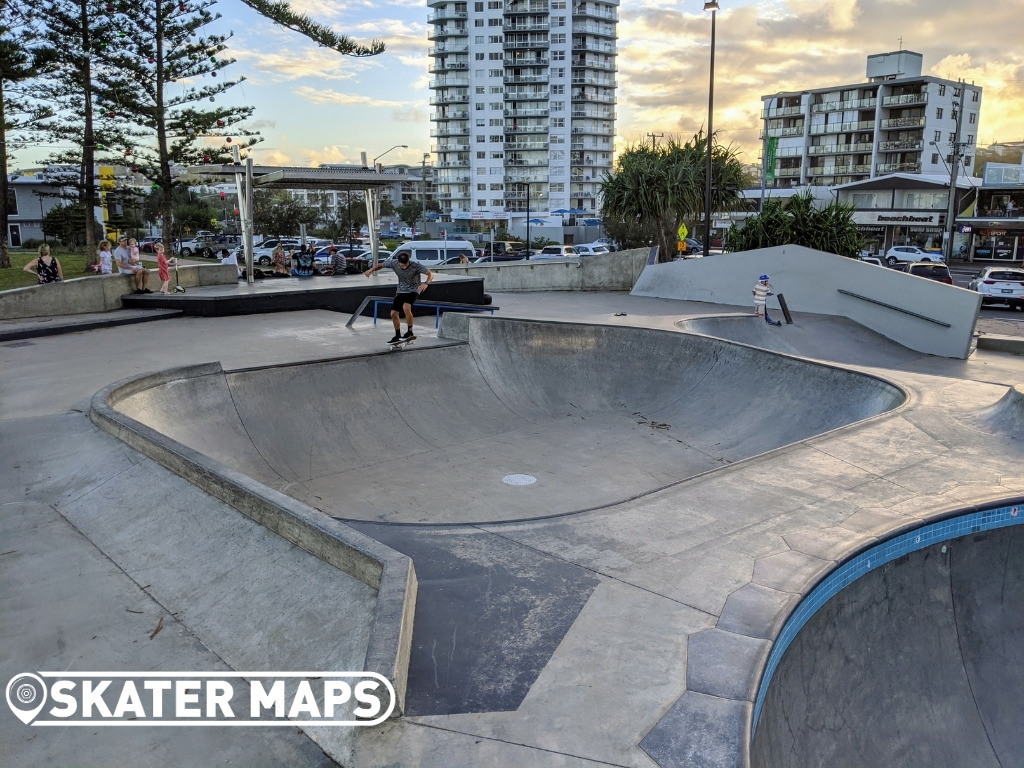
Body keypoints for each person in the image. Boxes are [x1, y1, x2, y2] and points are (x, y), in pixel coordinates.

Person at [364, 252, 434, 343]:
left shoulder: (415, 265)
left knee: (406, 307)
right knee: (393, 313)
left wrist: (426, 283)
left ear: (408, 261)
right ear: (398, 262)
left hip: (413, 290)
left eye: (406, 265)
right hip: (401, 290)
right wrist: (371, 270)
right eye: (402, 266)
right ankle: (397, 335)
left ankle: (410, 332)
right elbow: (381, 265)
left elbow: (430, 274)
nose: (404, 267)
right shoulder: (394, 263)